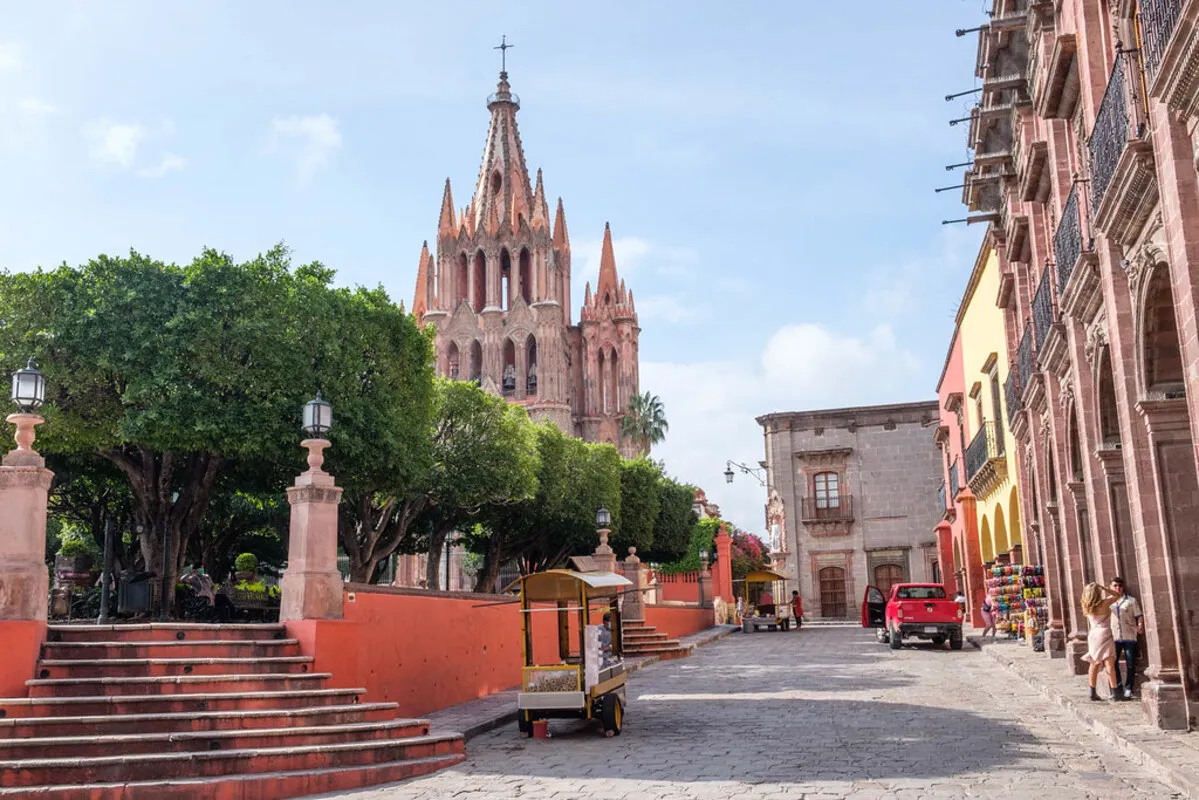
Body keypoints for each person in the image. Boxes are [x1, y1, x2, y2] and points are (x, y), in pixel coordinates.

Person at [1080, 582, 1124, 701]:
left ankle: (1092, 692)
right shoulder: (1105, 603)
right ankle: (1115, 692)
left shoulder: (1086, 605)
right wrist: (1104, 588)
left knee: (1094, 662)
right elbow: (1118, 595)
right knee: (1109, 664)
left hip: (1093, 634)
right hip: (1104, 633)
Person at [1109, 577, 1143, 699]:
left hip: (1129, 635)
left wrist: (1140, 625)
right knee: (1113, 663)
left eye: (1120, 586)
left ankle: (1129, 688)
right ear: (1110, 587)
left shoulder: (1131, 601)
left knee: (1130, 662)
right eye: (1115, 586)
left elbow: (1138, 615)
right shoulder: (1108, 602)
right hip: (1114, 635)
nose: (1118, 588)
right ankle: (1117, 687)